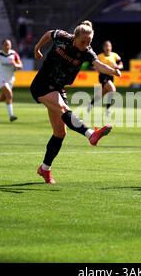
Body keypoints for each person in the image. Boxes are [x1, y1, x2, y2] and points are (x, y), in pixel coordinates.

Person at [31, 20, 121, 184]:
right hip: (41, 85)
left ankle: (44, 169)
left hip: (58, 88)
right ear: (75, 37)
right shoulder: (63, 37)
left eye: (89, 42)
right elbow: (49, 33)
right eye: (82, 41)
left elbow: (99, 65)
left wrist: (113, 71)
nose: (85, 45)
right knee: (64, 108)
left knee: (60, 133)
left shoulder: (87, 51)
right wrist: (37, 47)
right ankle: (90, 134)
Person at [0, 39, 23, 122]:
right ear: (2, 45)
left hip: (11, 79)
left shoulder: (14, 54)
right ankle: (11, 115)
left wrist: (16, 64)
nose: (8, 46)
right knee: (9, 94)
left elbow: (21, 66)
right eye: (6, 44)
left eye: (9, 44)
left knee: (4, 97)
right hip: (1, 78)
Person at [88, 40, 123, 116]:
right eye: (106, 46)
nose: (108, 48)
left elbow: (121, 64)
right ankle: (108, 110)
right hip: (103, 76)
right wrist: (95, 68)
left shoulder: (114, 55)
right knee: (112, 89)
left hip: (111, 76)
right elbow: (94, 65)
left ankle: (90, 105)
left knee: (102, 93)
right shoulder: (99, 56)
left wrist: (118, 67)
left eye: (109, 46)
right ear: (103, 48)